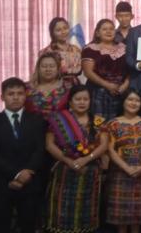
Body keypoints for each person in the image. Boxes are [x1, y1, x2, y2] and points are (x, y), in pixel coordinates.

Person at [0, 77, 46, 233]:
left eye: (20, 93)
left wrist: (27, 172)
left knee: (29, 225)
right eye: (11, 94)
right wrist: (16, 174)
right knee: (1, 225)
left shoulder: (37, 120)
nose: (16, 97)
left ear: (25, 96)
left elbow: (40, 150)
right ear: (2, 97)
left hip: (30, 182)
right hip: (2, 183)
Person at [44, 85, 109, 233]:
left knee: (87, 210)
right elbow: (49, 145)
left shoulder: (98, 121)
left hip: (90, 172)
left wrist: (86, 160)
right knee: (62, 208)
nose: (82, 102)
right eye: (78, 99)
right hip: (65, 170)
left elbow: (104, 145)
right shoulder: (58, 119)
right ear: (70, 102)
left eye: (85, 99)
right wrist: (70, 162)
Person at [105, 90, 141, 233]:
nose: (133, 103)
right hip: (120, 173)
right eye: (130, 100)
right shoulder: (113, 124)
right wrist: (126, 168)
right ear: (123, 102)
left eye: (137, 101)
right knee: (122, 215)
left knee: (137, 216)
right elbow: (110, 149)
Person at [82, 18, 129, 121]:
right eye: (105, 29)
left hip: (120, 92)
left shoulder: (124, 48)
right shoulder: (90, 49)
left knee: (118, 124)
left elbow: (131, 70)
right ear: (98, 33)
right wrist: (108, 86)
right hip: (97, 93)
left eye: (111, 29)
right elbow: (88, 72)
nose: (109, 31)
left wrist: (124, 86)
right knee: (99, 125)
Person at [26, 52, 73, 120]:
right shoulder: (27, 88)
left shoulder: (68, 87)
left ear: (58, 69)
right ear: (38, 69)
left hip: (60, 128)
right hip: (32, 128)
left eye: (52, 66)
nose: (48, 69)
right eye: (44, 66)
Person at [39, 17, 83, 85]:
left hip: (74, 86)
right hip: (54, 85)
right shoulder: (46, 52)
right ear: (52, 33)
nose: (63, 32)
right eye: (58, 30)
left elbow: (79, 69)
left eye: (65, 28)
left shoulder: (76, 49)